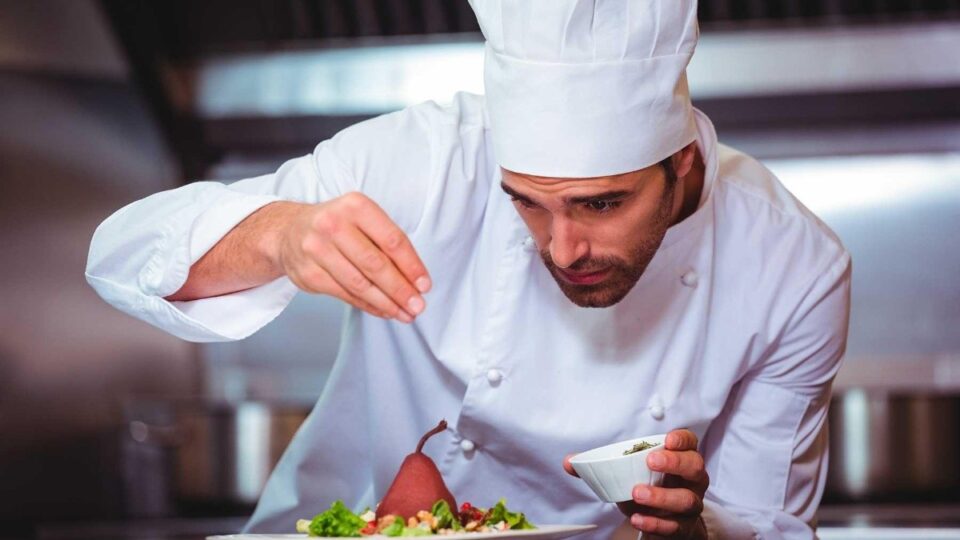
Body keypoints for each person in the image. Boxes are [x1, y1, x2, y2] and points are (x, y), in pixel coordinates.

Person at [86, 1, 851, 538]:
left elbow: (767, 525)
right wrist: (280, 235)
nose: (562, 249)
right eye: (526, 204)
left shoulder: (792, 267)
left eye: (600, 205)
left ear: (683, 163)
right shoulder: (430, 158)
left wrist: (686, 532)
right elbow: (121, 256)